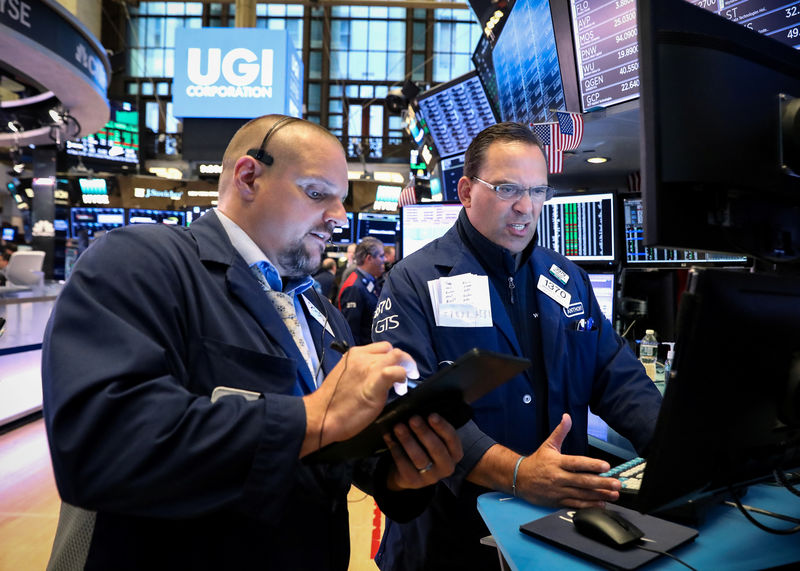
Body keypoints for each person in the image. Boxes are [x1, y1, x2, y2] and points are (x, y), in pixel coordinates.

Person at [41, 115, 463, 570]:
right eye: (318, 193)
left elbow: (327, 454)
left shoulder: (323, 314)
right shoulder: (141, 261)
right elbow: (100, 444)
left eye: (341, 201)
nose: (339, 217)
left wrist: (398, 474)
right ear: (248, 177)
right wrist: (313, 415)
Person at [371, 122, 663, 570]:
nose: (527, 207)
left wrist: (676, 450)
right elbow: (413, 409)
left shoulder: (567, 279)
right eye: (508, 189)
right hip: (451, 536)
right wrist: (515, 473)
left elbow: (618, 380)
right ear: (467, 192)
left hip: (554, 528)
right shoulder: (414, 281)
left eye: (539, 190)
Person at [338, 236, 385, 345]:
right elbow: (350, 332)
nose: (385, 260)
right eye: (381, 256)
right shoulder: (354, 287)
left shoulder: (369, 281)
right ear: (369, 258)